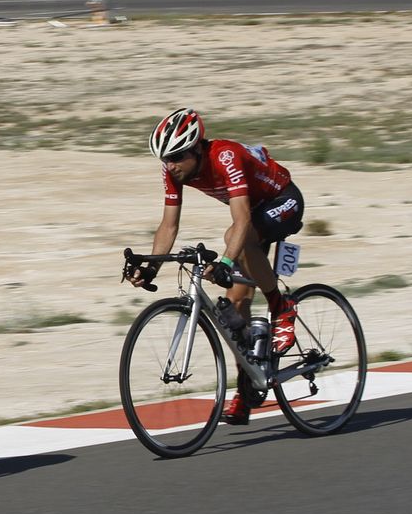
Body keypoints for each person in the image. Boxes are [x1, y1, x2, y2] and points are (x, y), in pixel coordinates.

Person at [127, 108, 305, 425]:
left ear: (197, 148)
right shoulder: (172, 170)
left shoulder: (225, 156)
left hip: (282, 202)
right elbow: (169, 226)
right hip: (252, 216)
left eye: (177, 156)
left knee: (234, 236)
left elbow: (242, 221)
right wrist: (151, 267)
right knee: (235, 310)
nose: (170, 165)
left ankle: (282, 305)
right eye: (165, 159)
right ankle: (248, 390)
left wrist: (224, 262)